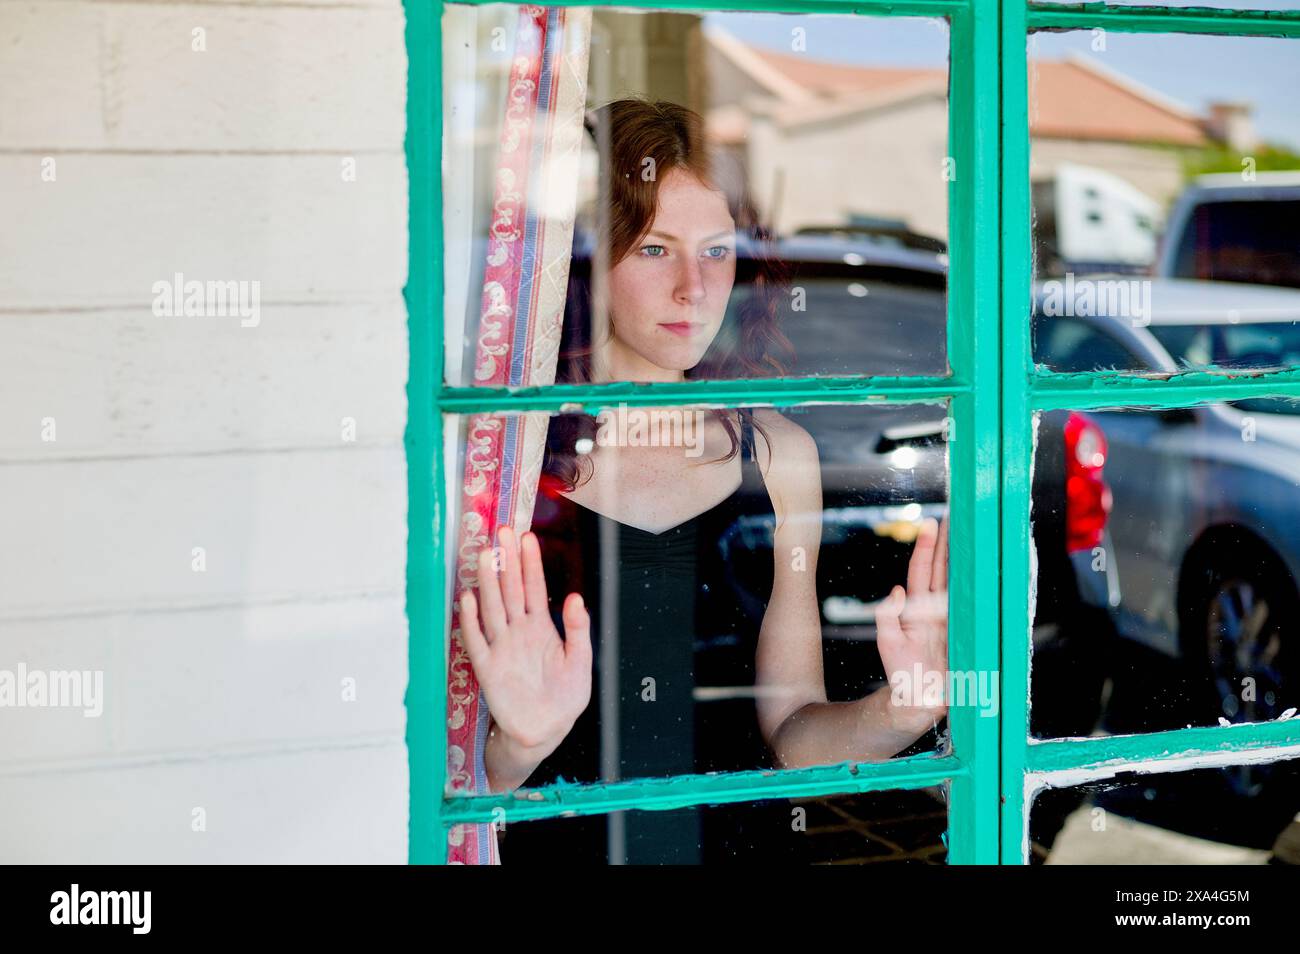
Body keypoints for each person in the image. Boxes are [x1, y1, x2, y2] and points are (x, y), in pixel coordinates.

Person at [456, 99, 949, 862]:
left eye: (716, 250)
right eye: (655, 249)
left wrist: (901, 711)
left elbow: (793, 738)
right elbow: (455, 781)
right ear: (586, 256)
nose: (694, 287)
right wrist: (516, 748)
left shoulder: (779, 455)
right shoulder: (509, 461)